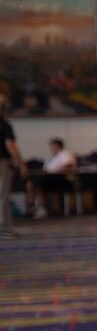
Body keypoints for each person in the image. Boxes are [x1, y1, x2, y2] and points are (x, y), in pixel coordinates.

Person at [30, 139, 79, 218]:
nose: (52, 148)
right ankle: (35, 207)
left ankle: (42, 208)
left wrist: (55, 171)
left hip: (61, 179)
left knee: (39, 182)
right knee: (33, 183)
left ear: (58, 146)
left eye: (53, 146)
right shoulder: (51, 158)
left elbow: (68, 165)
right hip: (50, 178)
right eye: (51, 147)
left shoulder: (65, 154)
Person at [0, 99, 24, 236]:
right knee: (3, 195)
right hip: (1, 162)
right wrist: (20, 163)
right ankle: (4, 227)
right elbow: (10, 145)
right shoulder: (4, 125)